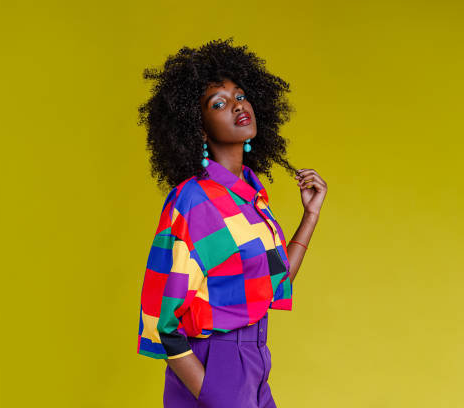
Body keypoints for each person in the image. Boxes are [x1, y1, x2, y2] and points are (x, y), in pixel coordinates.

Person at [136, 37, 327, 407]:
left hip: (255, 361)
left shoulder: (251, 198)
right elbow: (162, 321)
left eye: (240, 95)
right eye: (219, 103)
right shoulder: (193, 201)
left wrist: (311, 216)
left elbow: (275, 282)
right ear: (200, 129)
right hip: (214, 364)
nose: (238, 105)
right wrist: (215, 393)